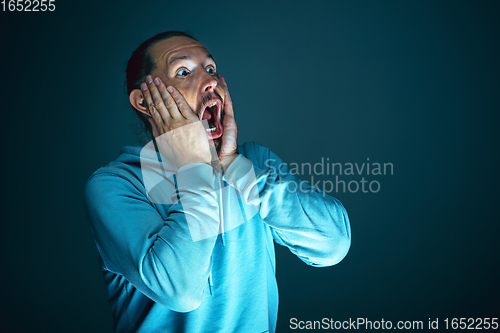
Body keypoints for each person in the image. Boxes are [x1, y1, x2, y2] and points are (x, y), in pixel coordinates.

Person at [84, 31, 351, 333]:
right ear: (144, 102)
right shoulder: (115, 186)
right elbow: (179, 290)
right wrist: (195, 170)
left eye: (210, 69)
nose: (210, 81)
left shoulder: (253, 163)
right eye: (183, 72)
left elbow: (333, 244)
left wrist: (235, 167)